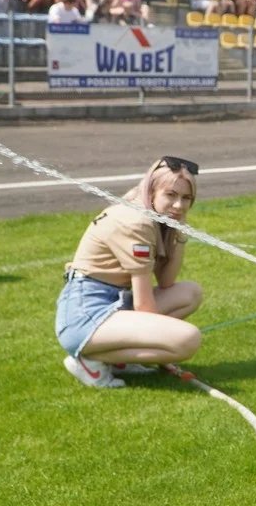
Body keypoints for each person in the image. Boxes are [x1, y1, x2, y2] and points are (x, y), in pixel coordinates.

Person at [55, 156, 204, 388]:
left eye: (186, 198)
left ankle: (120, 360)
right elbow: (144, 306)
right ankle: (90, 359)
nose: (179, 205)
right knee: (188, 340)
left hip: (113, 303)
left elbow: (166, 281)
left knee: (190, 292)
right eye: (171, 195)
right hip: (86, 316)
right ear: (152, 190)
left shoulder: (150, 212)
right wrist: (162, 346)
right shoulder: (138, 222)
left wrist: (180, 230)